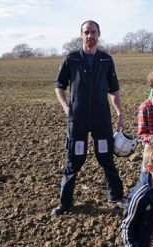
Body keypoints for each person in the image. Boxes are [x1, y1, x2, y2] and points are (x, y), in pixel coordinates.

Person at [52, 20, 126, 215]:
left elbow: (114, 90)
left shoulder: (106, 60)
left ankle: (115, 197)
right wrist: (67, 107)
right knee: (74, 159)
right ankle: (65, 202)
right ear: (81, 34)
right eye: (86, 32)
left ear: (99, 34)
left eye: (93, 32)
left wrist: (119, 114)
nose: (90, 36)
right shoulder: (72, 59)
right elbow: (59, 85)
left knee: (106, 157)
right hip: (78, 117)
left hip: (101, 117)